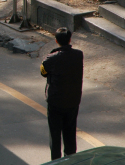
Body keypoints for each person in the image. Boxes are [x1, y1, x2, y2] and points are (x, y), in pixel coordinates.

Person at [41, 27, 84, 160]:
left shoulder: (51, 58)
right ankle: (71, 161)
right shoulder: (79, 55)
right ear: (70, 39)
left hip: (55, 103)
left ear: (56, 41)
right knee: (70, 134)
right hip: (73, 101)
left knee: (55, 136)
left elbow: (43, 72)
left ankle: (56, 162)